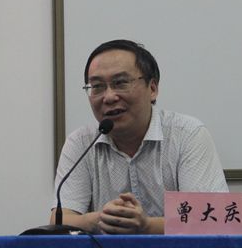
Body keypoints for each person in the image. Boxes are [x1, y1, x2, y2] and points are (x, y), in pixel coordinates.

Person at [50, 39, 228, 234]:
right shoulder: (81, 142)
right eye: (98, 86)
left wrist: (147, 225)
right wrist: (102, 219)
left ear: (152, 89)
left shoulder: (187, 135)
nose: (109, 97)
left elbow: (214, 218)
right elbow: (59, 219)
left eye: (120, 83)